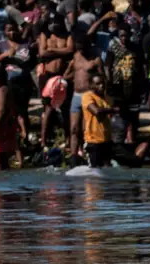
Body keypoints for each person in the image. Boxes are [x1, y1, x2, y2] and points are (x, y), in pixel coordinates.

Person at [64, 35, 103, 167]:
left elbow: (102, 77)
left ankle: (88, 154)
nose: (80, 50)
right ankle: (74, 157)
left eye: (82, 47)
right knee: (74, 128)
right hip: (76, 95)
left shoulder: (95, 58)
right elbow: (67, 74)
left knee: (86, 128)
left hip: (89, 96)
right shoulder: (76, 56)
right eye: (78, 47)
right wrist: (74, 78)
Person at [38, 11, 73, 149]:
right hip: (49, 75)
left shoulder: (67, 35)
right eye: (51, 22)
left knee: (65, 108)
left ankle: (68, 139)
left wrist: (52, 50)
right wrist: (60, 51)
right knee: (48, 108)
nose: (53, 25)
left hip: (63, 75)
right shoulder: (44, 35)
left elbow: (70, 50)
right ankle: (43, 141)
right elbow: (42, 52)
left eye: (55, 22)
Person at [105, 23, 143, 145]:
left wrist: (142, 83)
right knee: (119, 113)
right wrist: (109, 83)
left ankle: (131, 140)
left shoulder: (135, 48)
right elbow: (107, 66)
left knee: (133, 114)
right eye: (121, 36)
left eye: (126, 36)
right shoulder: (113, 48)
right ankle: (116, 140)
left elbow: (141, 67)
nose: (124, 38)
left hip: (133, 86)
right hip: (117, 86)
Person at [81, 73, 119, 167]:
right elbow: (96, 111)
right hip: (93, 141)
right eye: (97, 84)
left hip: (106, 140)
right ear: (91, 85)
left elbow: (105, 116)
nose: (101, 86)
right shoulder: (87, 96)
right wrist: (113, 110)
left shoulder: (108, 99)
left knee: (107, 168)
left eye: (102, 83)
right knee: (94, 170)